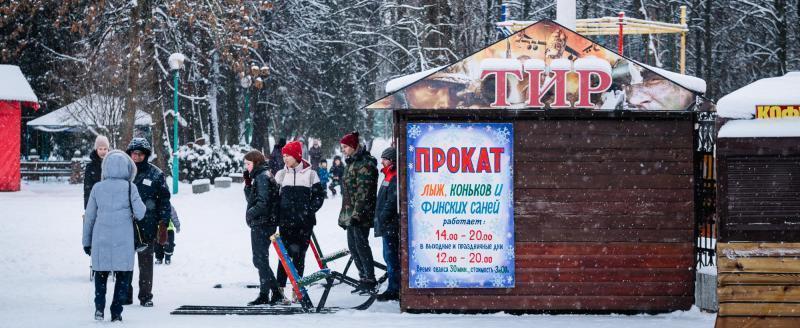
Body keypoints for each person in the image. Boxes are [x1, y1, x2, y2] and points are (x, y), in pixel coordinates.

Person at [83, 150, 146, 322]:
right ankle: (116, 311)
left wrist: (86, 242)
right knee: (123, 276)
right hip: (123, 240)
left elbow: (89, 217)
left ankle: (99, 308)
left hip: (100, 237)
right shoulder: (130, 188)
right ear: (127, 168)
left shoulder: (97, 188)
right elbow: (140, 213)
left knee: (101, 274)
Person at [274, 141, 325, 303]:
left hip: (304, 224)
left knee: (299, 257)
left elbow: (318, 197)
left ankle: (297, 292)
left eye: (287, 155)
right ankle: (279, 293)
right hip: (286, 223)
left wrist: (309, 211)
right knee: (284, 257)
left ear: (296, 156)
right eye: (283, 156)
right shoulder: (281, 175)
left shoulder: (311, 174)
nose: (285, 159)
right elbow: (275, 198)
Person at [125, 137, 172, 307]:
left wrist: (163, 223)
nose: (136, 157)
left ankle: (145, 296)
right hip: (125, 224)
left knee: (146, 263)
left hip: (148, 225)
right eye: (133, 153)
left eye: (140, 154)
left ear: (145, 155)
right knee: (125, 263)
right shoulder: (123, 172)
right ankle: (125, 294)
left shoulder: (156, 174)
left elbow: (164, 201)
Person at [337, 132, 379, 295]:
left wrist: (356, 214)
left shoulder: (365, 164)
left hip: (362, 213)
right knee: (353, 246)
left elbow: (364, 192)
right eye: (342, 147)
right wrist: (345, 216)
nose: (343, 150)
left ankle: (370, 279)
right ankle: (363, 277)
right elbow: (348, 193)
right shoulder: (351, 163)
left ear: (354, 146)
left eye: (346, 147)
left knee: (361, 245)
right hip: (351, 212)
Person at [242, 150, 283, 305]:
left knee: (260, 260)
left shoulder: (262, 177)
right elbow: (251, 199)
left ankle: (270, 293)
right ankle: (270, 293)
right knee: (260, 260)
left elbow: (262, 204)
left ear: (256, 163)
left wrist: (249, 214)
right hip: (263, 222)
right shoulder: (261, 175)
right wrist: (247, 184)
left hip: (263, 223)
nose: (246, 167)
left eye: (248, 164)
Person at [374, 147, 400, 302]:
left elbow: (391, 202)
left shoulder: (394, 176)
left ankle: (394, 289)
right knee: (388, 256)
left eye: (385, 158)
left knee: (391, 258)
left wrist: (382, 217)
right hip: (386, 224)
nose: (382, 161)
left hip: (390, 225)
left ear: (391, 160)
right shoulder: (388, 175)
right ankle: (393, 286)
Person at [83, 135, 110, 209]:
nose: (103, 152)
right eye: (100, 149)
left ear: (108, 150)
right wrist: (88, 207)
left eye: (105, 149)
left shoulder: (112, 164)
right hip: (95, 203)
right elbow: (87, 188)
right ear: (96, 149)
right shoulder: (90, 167)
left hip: (110, 203)